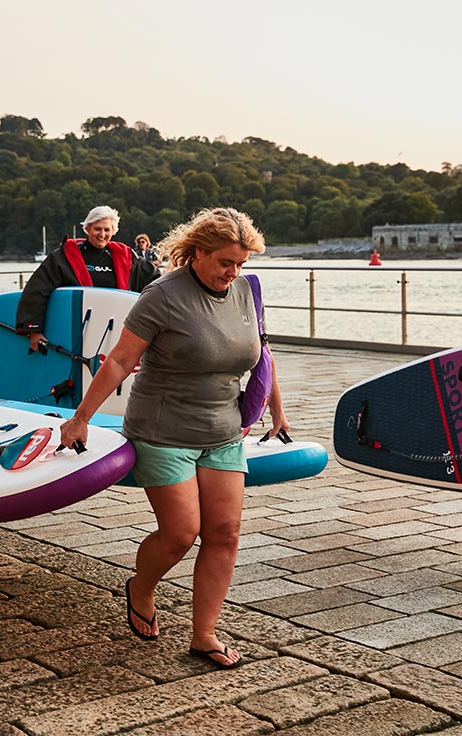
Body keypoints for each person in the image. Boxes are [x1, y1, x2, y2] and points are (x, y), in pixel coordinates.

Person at [59, 207, 290, 670]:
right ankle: (141, 587)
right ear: (199, 252)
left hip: (222, 430)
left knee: (224, 533)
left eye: (242, 263)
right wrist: (81, 417)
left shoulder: (244, 290)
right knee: (182, 532)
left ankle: (204, 634)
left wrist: (277, 410)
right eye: (227, 261)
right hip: (163, 430)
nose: (234, 271)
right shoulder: (162, 296)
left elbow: (260, 352)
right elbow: (120, 361)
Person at [16, 205, 160, 351]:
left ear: (113, 231)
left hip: (117, 331)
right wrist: (34, 330)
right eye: (97, 229)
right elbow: (38, 288)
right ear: (88, 228)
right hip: (75, 332)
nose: (102, 234)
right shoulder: (64, 256)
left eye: (107, 230)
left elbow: (156, 282)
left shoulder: (127, 257)